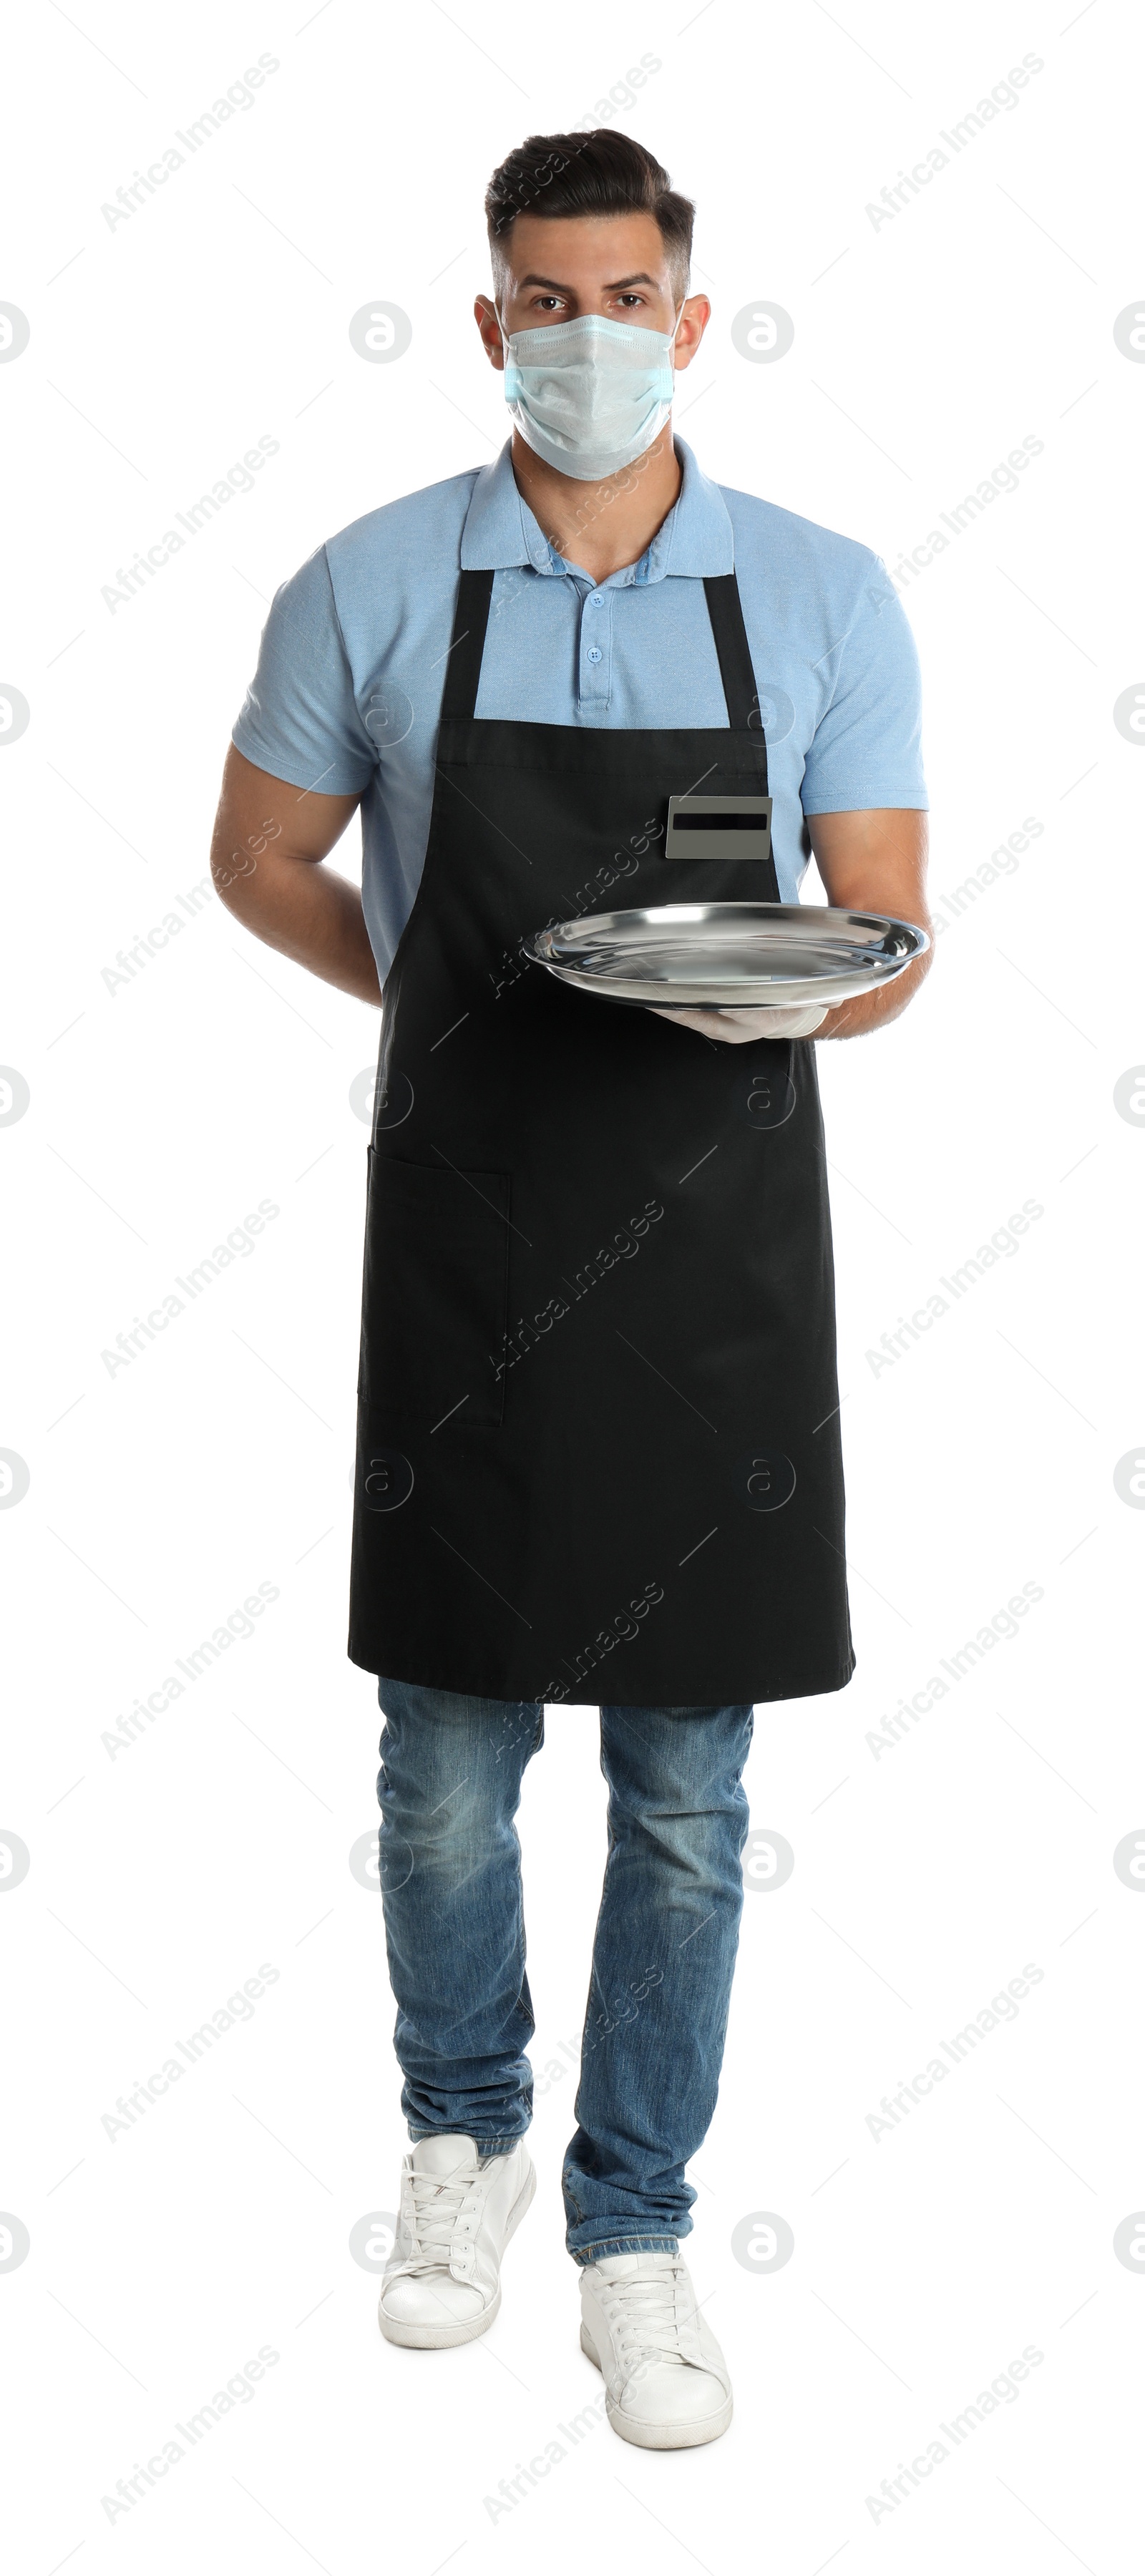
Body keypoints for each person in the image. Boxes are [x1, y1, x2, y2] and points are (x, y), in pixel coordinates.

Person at [211, 129, 930, 2451]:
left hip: (717, 1263)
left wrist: (796, 1005)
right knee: (440, 1768)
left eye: (629, 294)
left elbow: (887, 926)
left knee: (690, 1790)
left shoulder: (818, 594)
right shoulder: (375, 581)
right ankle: (466, 2141)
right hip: (472, 1245)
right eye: (545, 296)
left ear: (690, 317)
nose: (587, 334)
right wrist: (428, 1009)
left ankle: (633, 2225)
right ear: (493, 314)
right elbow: (257, 857)